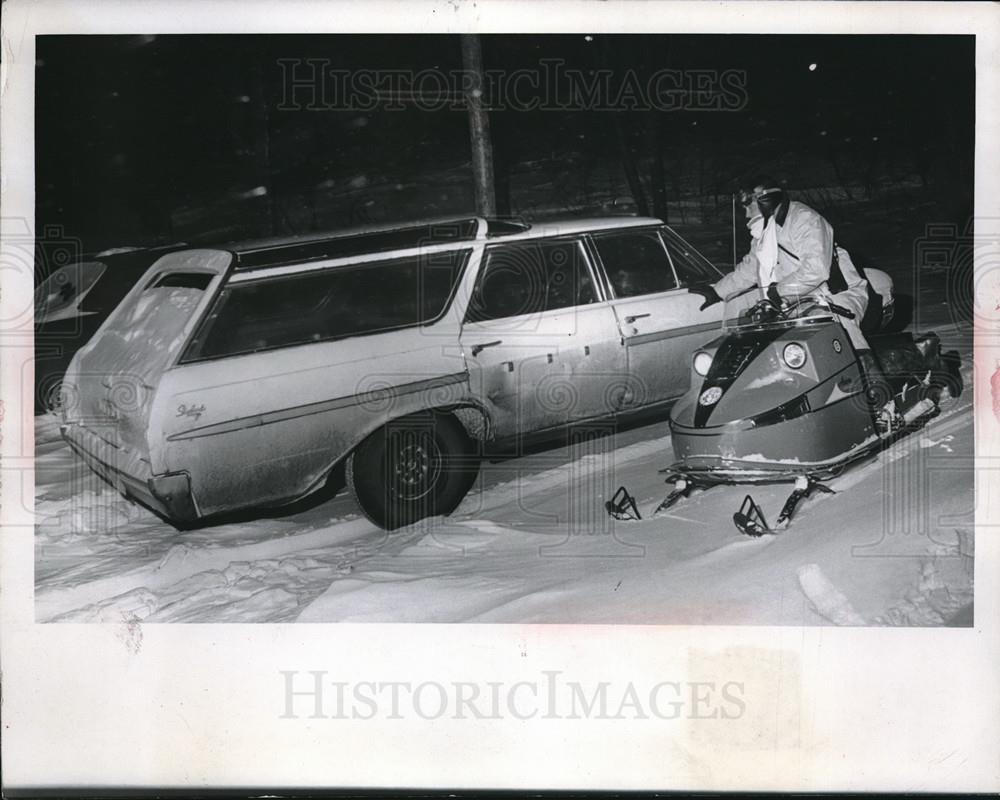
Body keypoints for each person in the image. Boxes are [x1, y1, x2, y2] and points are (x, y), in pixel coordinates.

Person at [688, 178, 895, 422]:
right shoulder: (765, 233)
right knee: (757, 327)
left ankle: (881, 402)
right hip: (796, 298)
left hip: (838, 293)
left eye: (748, 204)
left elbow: (817, 269)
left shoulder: (804, 220)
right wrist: (717, 292)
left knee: (838, 327)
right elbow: (749, 269)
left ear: (766, 200)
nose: (744, 211)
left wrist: (777, 293)